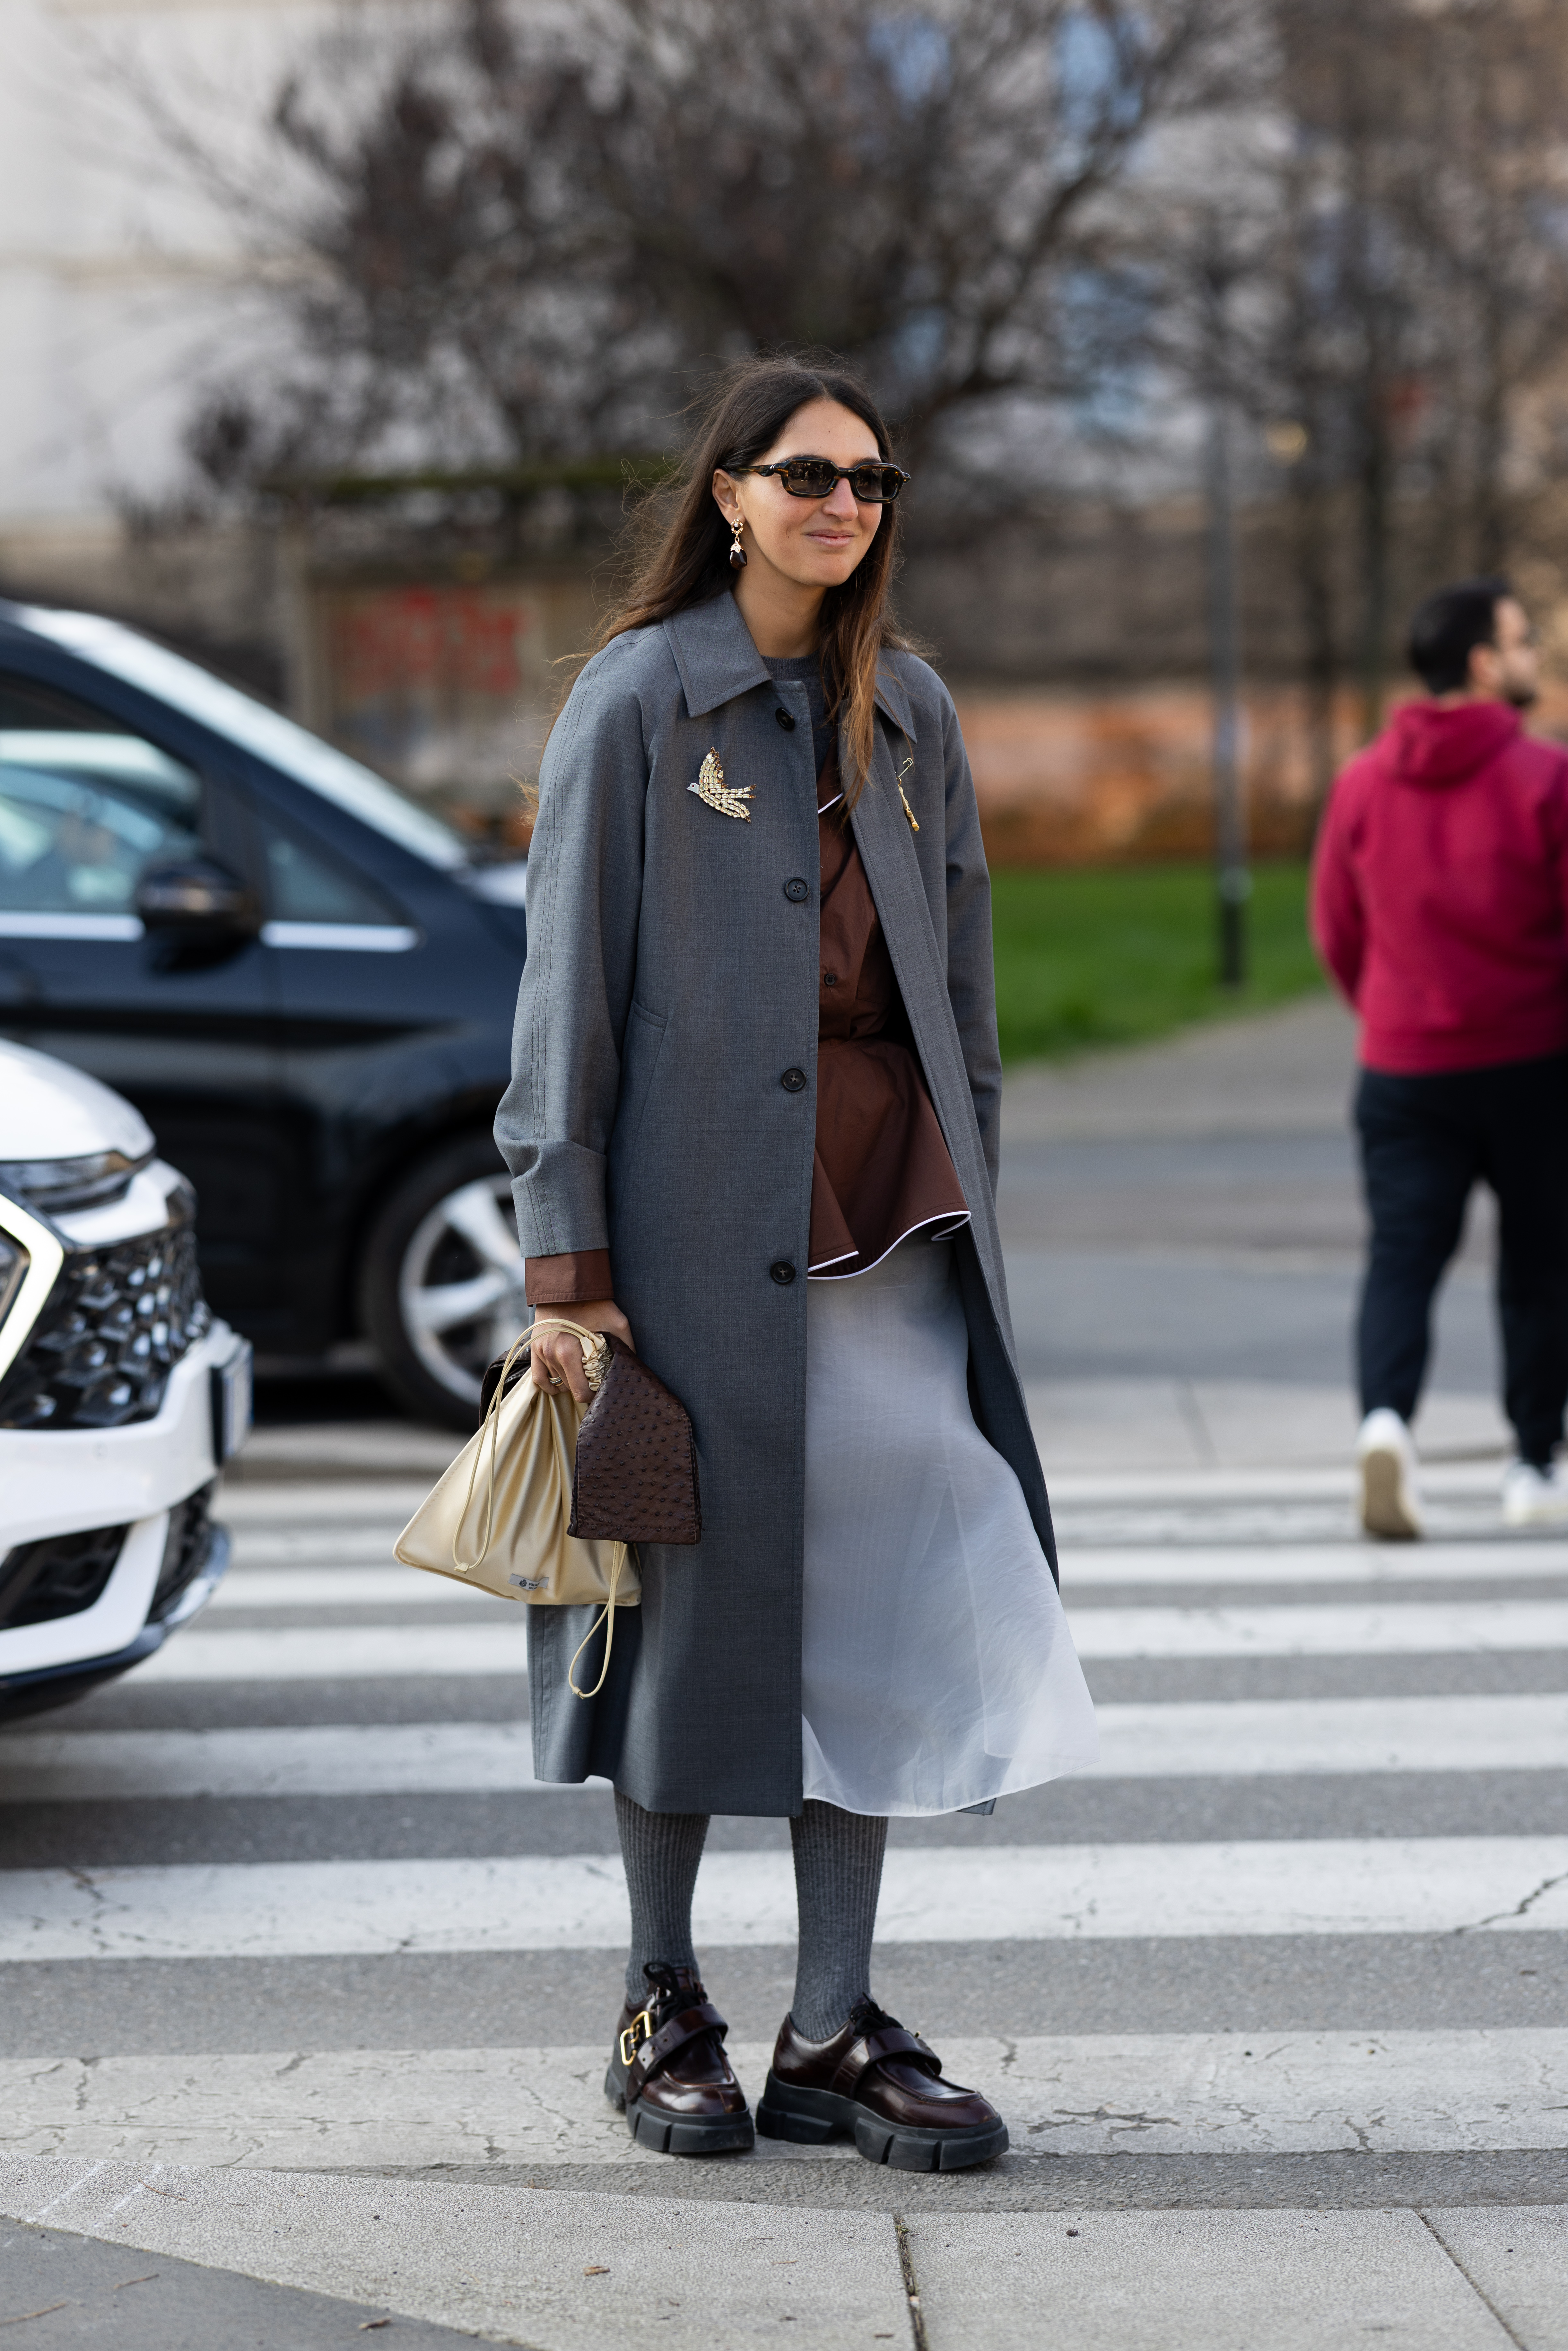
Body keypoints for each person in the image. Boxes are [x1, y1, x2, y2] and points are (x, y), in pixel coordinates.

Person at [494, 356, 1096, 2167]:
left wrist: (981, 1191)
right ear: (732, 493)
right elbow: (564, 998)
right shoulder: (637, 700)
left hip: (889, 1215)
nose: (846, 503)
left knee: (902, 1572)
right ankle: (659, 1993)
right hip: (679, 1233)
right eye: (809, 475)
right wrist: (564, 1259)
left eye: (871, 480)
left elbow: (966, 992)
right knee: (679, 1604)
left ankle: (830, 2021)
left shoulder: (906, 709)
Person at [1312, 576, 1568, 1539]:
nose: (1533, 653)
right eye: (1523, 638)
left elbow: (1335, 926)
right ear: (1481, 661)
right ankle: (1531, 1465)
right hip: (1532, 1063)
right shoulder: (1545, 777)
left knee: (1402, 1258)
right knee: (1539, 1267)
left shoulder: (1362, 779)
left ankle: (1386, 1427)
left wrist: (1387, 1011)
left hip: (1401, 1068)